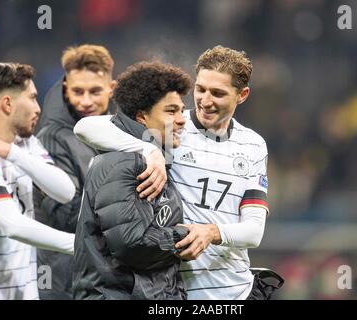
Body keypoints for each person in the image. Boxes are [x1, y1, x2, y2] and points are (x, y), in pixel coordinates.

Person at [74, 46, 273, 300]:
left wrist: (212, 232)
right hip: (176, 291)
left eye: (218, 93)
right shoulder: (171, 129)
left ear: (242, 95)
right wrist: (148, 149)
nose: (206, 100)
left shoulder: (253, 145)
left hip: (236, 289)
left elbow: (254, 231)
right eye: (200, 90)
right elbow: (84, 127)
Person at [72, 61, 193, 300]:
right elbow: (130, 245)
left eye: (181, 110)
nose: (181, 120)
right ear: (142, 118)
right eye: (171, 111)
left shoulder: (155, 159)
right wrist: (187, 236)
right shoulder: (124, 163)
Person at [33, 44, 118, 300]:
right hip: (63, 280)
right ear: (65, 89)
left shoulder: (118, 134)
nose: (86, 101)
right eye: (77, 91)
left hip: (98, 276)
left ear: (111, 88)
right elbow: (66, 216)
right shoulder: (52, 138)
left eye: (95, 91)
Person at [0, 62, 76, 300]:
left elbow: (65, 191)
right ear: (7, 104)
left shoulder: (25, 144)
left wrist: (13, 153)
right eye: (33, 98)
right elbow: (12, 225)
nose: (39, 108)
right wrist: (78, 244)